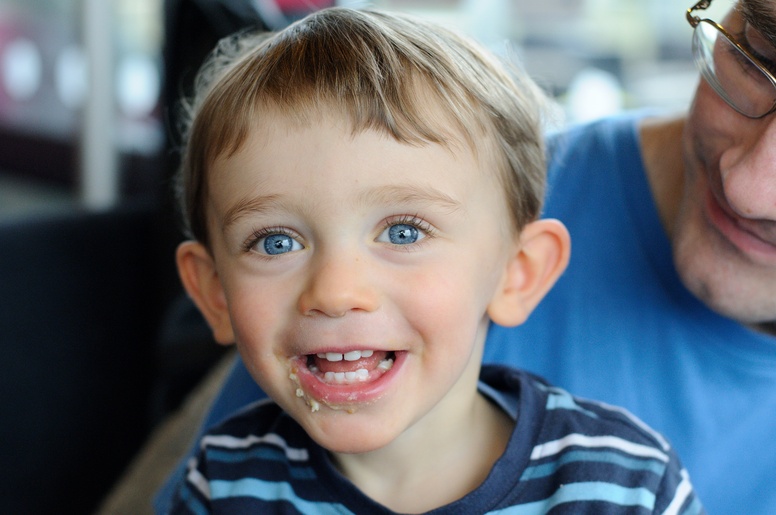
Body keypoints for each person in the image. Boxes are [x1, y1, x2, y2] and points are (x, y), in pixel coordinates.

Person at [166, 7, 701, 513]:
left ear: (518, 273)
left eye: (403, 232)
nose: (335, 291)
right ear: (214, 292)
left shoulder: (628, 489)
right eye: (275, 243)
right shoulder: (222, 481)